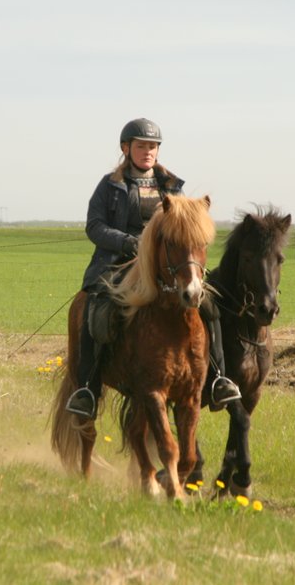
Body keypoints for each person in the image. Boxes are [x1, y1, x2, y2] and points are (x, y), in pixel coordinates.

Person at [65, 118, 242, 419]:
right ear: (126, 148)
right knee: (96, 309)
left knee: (209, 306)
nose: (148, 151)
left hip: (167, 265)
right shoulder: (109, 186)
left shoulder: (172, 186)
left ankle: (218, 379)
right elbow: (94, 226)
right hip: (119, 261)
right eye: (141, 146)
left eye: (152, 146)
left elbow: (186, 228)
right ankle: (87, 390)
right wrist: (128, 242)